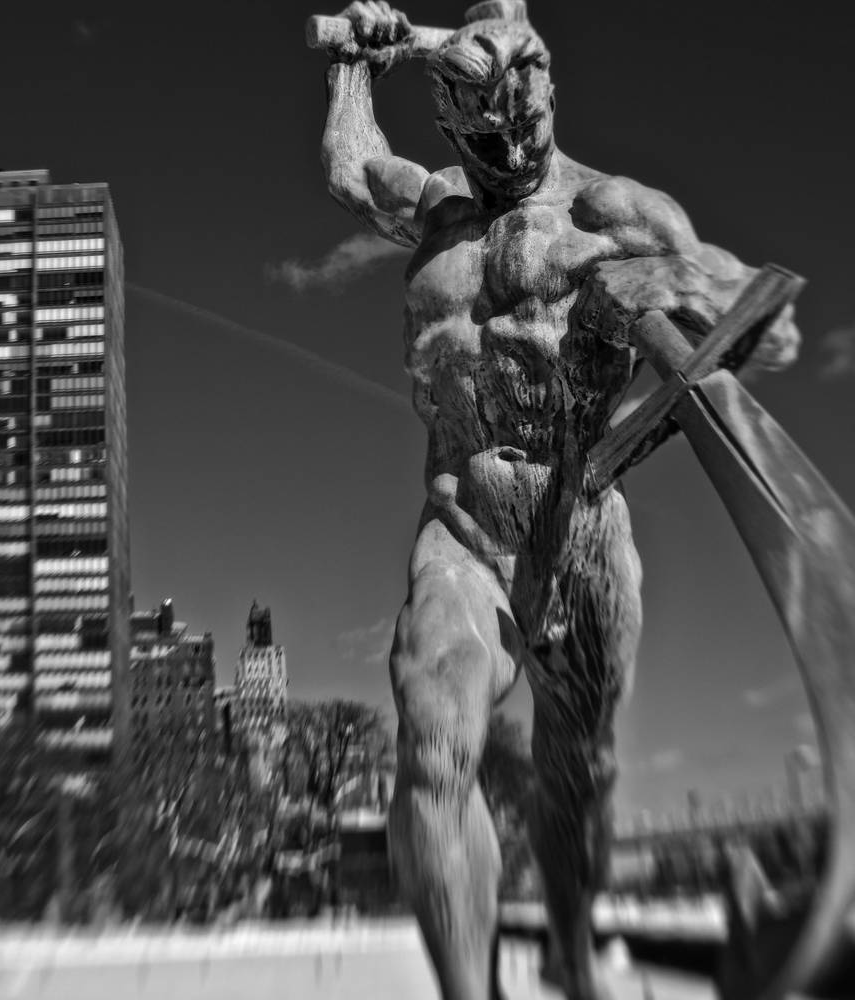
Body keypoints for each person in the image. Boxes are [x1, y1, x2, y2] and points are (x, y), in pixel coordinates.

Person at [318, 3, 799, 998]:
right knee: (435, 731)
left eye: (529, 114)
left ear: (548, 87)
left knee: (574, 777)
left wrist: (692, 296)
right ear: (451, 129)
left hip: (579, 533)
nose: (516, 142)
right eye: (488, 133)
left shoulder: (613, 214)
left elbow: (760, 322)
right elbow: (346, 166)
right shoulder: (438, 209)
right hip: (463, 530)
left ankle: (575, 959)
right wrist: (352, 68)